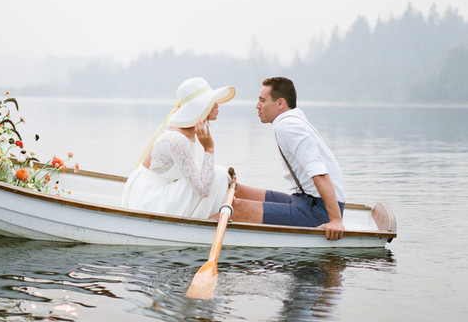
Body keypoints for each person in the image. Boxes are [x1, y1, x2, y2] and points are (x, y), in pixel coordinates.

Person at [232, 77, 345, 241]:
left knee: (237, 208)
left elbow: (319, 172)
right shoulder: (290, 121)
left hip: (320, 210)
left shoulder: (289, 126)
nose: (257, 106)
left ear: (280, 103)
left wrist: (335, 220)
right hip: (305, 199)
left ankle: (194, 231)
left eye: (262, 100)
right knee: (237, 190)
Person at [122, 77, 236, 219]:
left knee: (219, 174)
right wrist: (209, 149)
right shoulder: (177, 139)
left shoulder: (187, 132)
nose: (217, 105)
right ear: (202, 106)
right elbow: (203, 190)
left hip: (158, 192)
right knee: (218, 174)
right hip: (150, 200)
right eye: (212, 101)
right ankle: (216, 218)